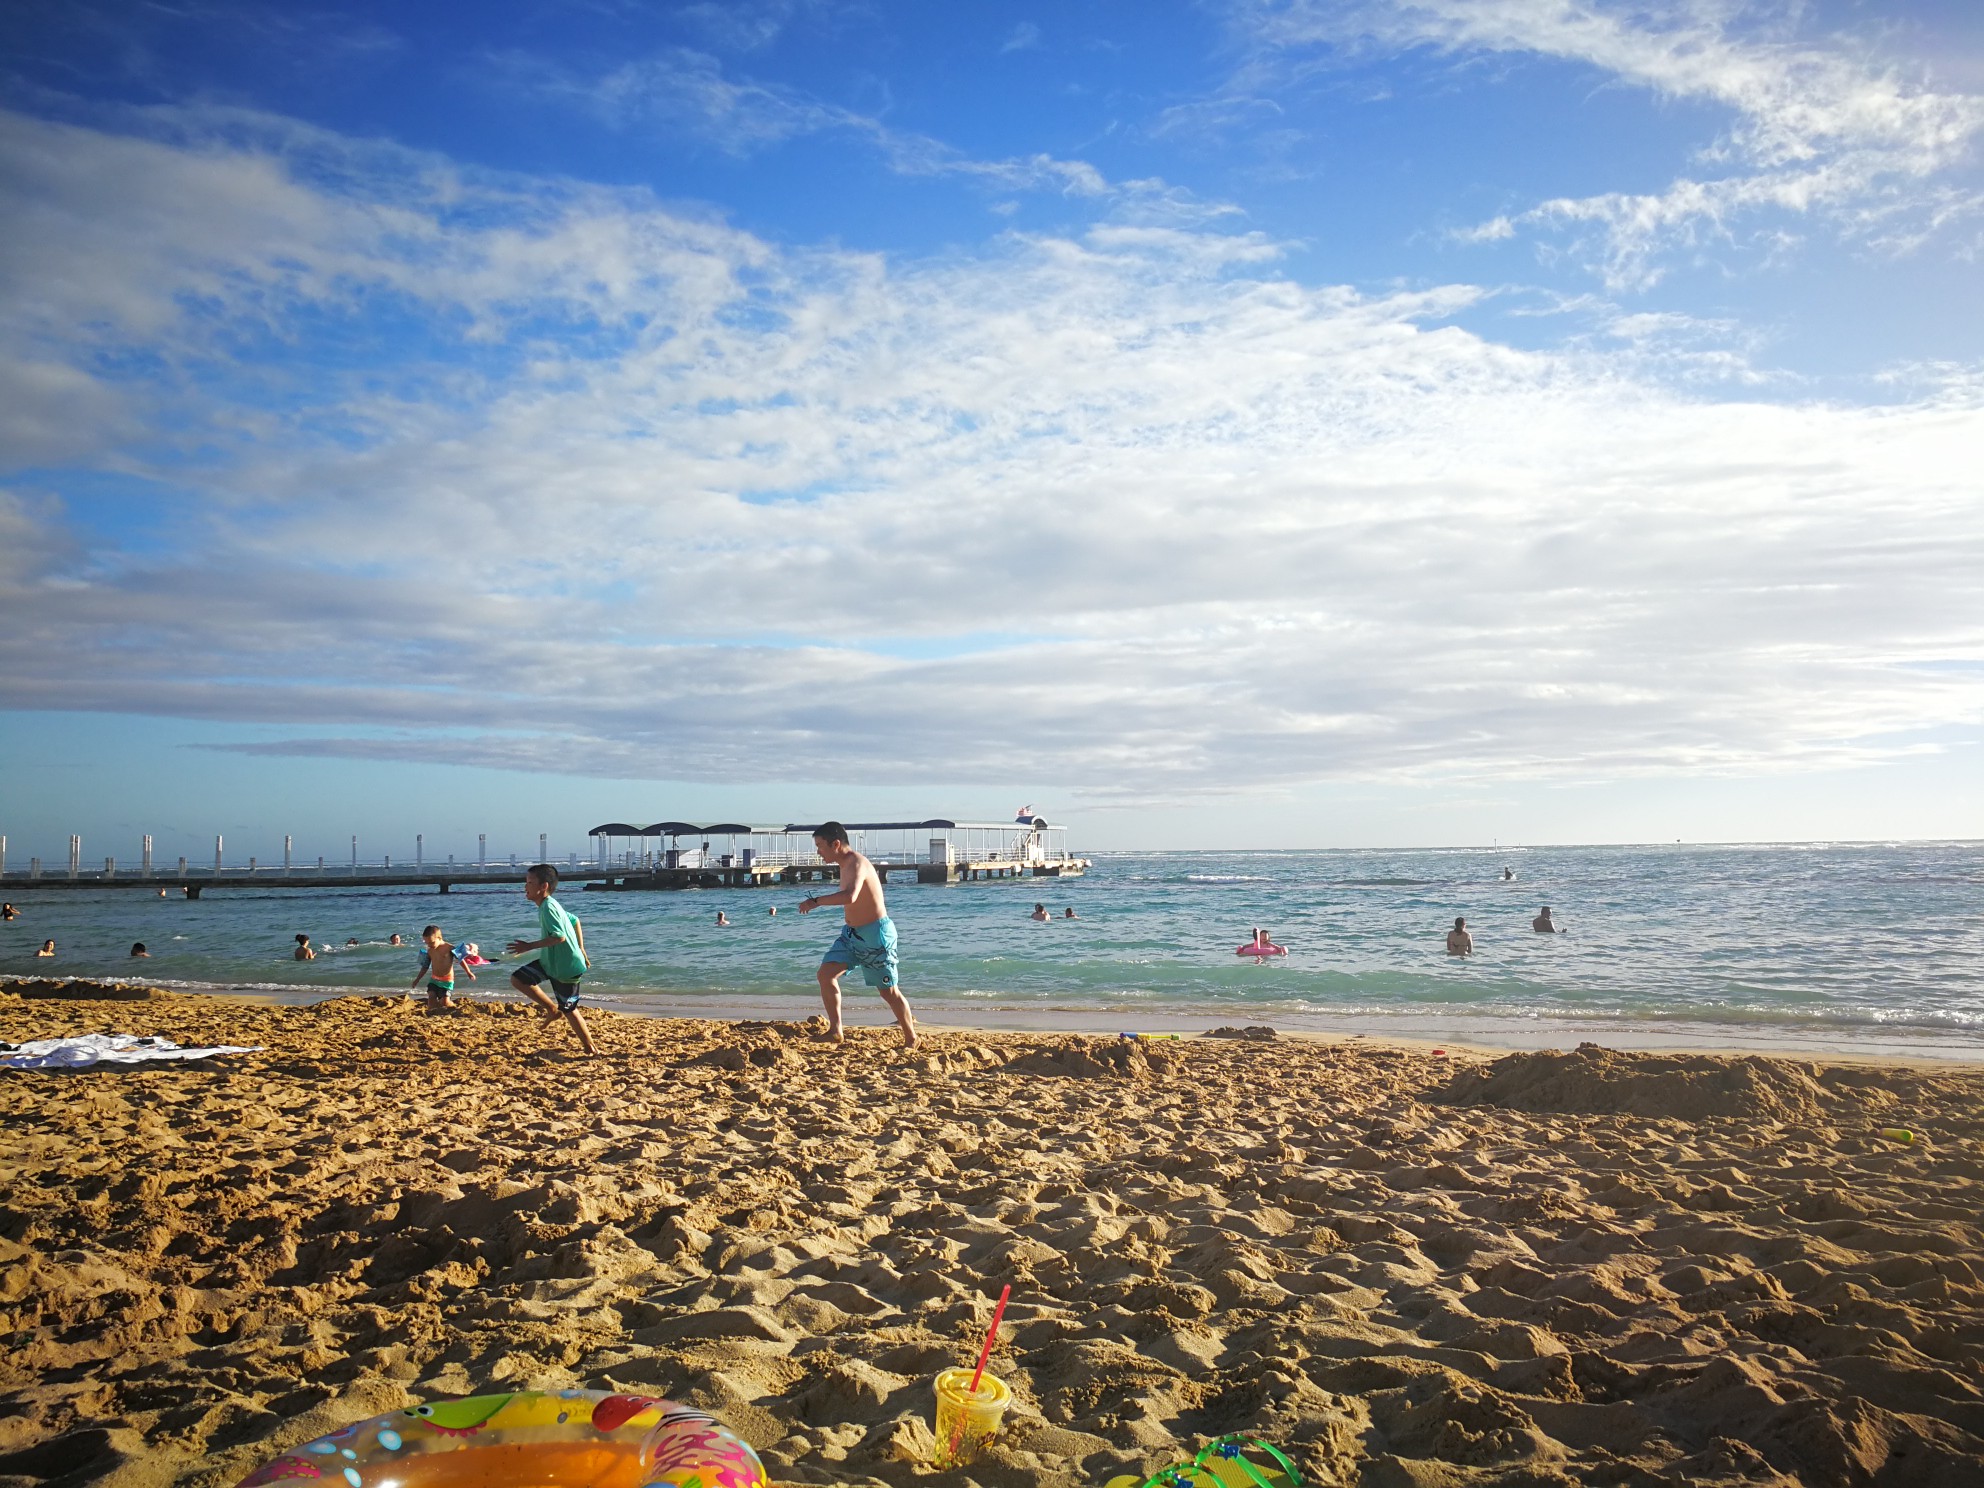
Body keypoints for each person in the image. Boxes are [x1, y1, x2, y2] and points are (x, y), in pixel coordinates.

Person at [798, 821, 917, 1047]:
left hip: (876, 935)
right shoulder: (843, 865)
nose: (818, 852)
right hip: (851, 935)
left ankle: (911, 1038)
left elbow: (850, 896)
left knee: (889, 992)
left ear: (836, 844)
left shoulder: (856, 863)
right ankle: (835, 1030)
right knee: (825, 974)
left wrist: (815, 902)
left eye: (820, 846)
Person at [507, 864, 596, 1055]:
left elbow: (559, 937)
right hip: (550, 962)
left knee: (570, 1009)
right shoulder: (550, 904)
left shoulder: (548, 907)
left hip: (566, 967)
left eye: (530, 883)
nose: (526, 887)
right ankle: (551, 1010)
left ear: (543, 886)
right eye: (526, 882)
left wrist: (528, 946)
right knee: (519, 979)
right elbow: (574, 920)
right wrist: (581, 948)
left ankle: (590, 1047)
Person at [410, 924, 475, 1011]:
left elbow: (461, 960)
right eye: (426, 943)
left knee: (445, 1003)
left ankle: (454, 1007)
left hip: (446, 981)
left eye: (431, 942)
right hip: (434, 980)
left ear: (439, 938)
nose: (429, 945)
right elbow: (425, 967)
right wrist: (417, 979)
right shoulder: (429, 951)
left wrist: (469, 972)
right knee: (431, 1002)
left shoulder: (450, 948)